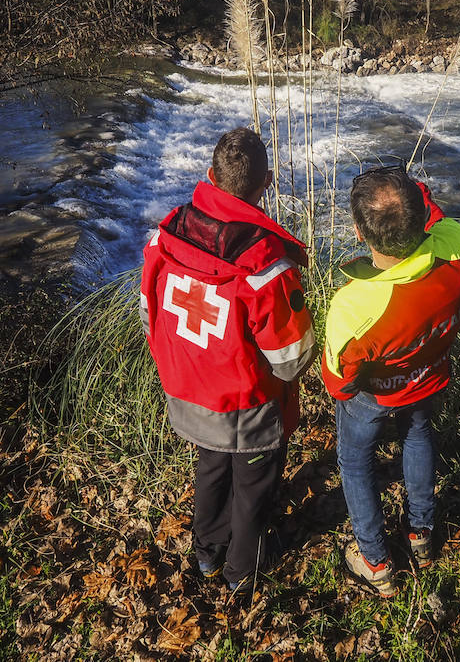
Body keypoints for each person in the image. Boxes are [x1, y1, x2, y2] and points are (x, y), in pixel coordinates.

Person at [141, 128, 317, 588]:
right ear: (268, 183)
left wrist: (181, 364)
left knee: (212, 466)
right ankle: (242, 573)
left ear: (209, 175)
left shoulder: (167, 232)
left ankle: (206, 555)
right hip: (246, 404)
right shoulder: (263, 262)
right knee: (253, 485)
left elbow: (150, 312)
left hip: (187, 390)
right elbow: (291, 356)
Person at [322, 163, 460, 597]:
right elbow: (443, 225)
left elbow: (339, 383)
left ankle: (375, 562)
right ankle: (421, 536)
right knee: (418, 433)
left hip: (375, 397)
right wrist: (417, 194)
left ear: (359, 231)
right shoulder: (457, 250)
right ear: (419, 218)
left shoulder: (354, 306)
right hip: (430, 375)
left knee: (356, 464)